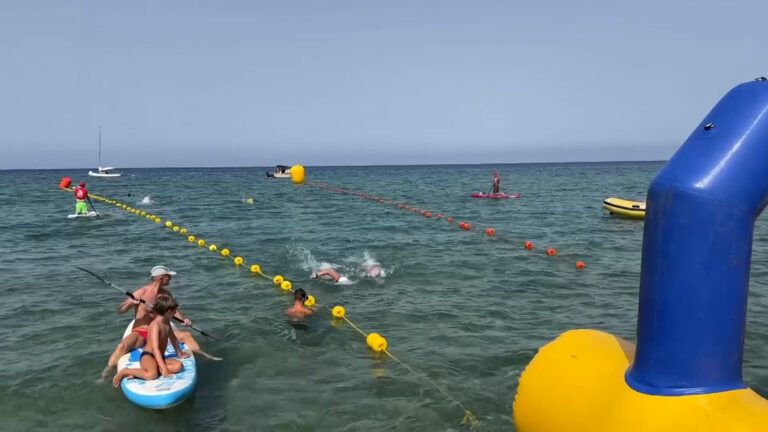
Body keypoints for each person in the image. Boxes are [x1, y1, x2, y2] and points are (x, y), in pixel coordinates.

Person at [101, 265, 219, 380]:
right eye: (169, 276)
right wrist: (131, 303)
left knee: (186, 335)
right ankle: (107, 373)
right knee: (122, 346)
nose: (171, 278)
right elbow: (120, 310)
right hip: (141, 332)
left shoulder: (166, 295)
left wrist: (185, 321)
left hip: (161, 331)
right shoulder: (142, 292)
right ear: (161, 277)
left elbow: (175, 312)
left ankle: (204, 355)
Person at [112, 294, 190, 387]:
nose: (175, 314)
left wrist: (180, 354)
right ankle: (126, 371)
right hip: (148, 356)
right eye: (174, 312)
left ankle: (146, 371)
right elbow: (155, 348)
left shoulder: (166, 322)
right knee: (152, 375)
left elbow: (173, 339)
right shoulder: (155, 325)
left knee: (179, 366)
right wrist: (164, 368)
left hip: (160, 357)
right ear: (168, 312)